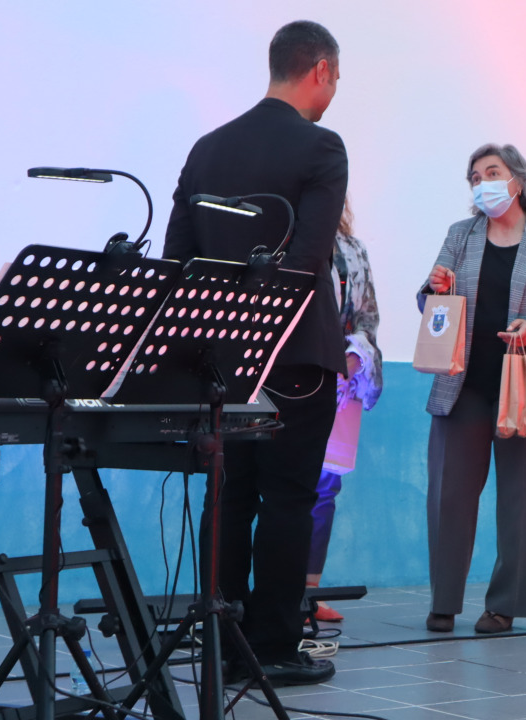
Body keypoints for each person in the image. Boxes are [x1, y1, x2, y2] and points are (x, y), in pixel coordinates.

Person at [163, 20, 346, 685]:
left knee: (230, 496)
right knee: (290, 498)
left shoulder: (208, 148)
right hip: (294, 356)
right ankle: (271, 648)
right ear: (320, 70)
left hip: (220, 359)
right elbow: (308, 261)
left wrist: (216, 339)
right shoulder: (321, 147)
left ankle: (222, 635)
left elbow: (175, 263)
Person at [420, 143, 526, 635]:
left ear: (518, 179)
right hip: (463, 386)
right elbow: (432, 304)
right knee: (449, 496)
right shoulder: (460, 235)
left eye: (491, 172)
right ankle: (444, 601)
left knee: (520, 502)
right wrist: (432, 290)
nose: (481, 182)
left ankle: (504, 605)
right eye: (474, 177)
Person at [307, 199, 383, 623]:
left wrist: (354, 355)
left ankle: (307, 595)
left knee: (324, 490)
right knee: (280, 489)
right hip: (288, 379)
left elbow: (367, 317)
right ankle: (263, 593)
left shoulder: (352, 249)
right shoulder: (281, 241)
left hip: (341, 381)